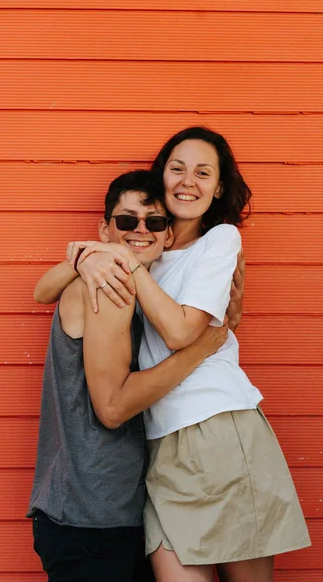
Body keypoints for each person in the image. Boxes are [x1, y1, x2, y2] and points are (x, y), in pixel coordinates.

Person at [51, 127, 311, 582]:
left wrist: (123, 259)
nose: (189, 181)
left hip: (218, 428)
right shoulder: (143, 249)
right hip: (158, 442)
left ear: (219, 188)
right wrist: (90, 258)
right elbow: (40, 291)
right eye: (177, 169)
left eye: (203, 173)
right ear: (162, 177)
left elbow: (178, 332)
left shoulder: (220, 240)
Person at [27, 169, 235, 582]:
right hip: (91, 518)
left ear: (169, 236)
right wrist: (201, 349)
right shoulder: (108, 285)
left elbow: (42, 290)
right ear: (104, 229)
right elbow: (113, 407)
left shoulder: (139, 289)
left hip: (109, 511)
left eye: (155, 222)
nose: (141, 230)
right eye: (126, 220)